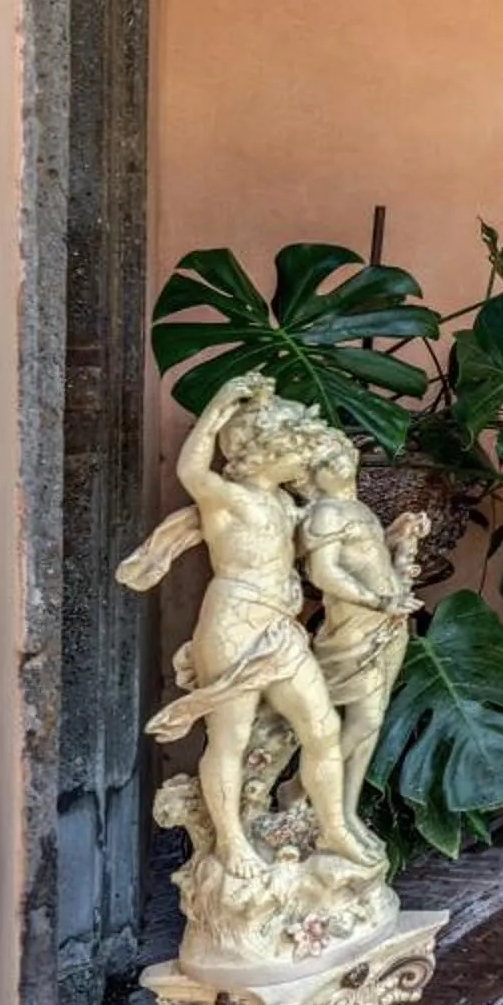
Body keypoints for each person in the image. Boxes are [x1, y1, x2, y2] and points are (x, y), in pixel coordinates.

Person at [118, 372, 381, 876]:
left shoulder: (286, 503)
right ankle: (232, 843)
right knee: (230, 738)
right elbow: (193, 469)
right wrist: (220, 401)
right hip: (233, 624)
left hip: (281, 629)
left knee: (322, 727)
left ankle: (333, 827)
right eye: (296, 450)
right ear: (267, 453)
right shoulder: (228, 499)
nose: (304, 459)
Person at [294, 424, 428, 805]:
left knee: (371, 722)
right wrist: (379, 601)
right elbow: (323, 573)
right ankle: (300, 792)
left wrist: (399, 532)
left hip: (386, 623)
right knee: (362, 720)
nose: (340, 461)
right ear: (311, 471)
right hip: (354, 628)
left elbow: (365, 557)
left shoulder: (357, 508)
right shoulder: (324, 515)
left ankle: (345, 810)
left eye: (341, 452)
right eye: (327, 459)